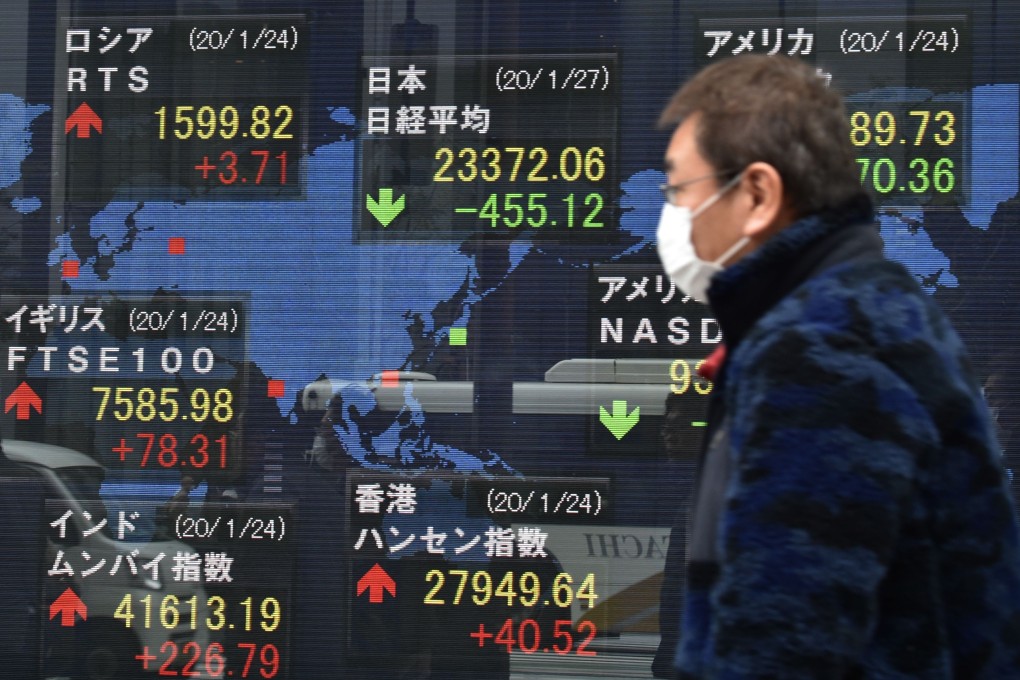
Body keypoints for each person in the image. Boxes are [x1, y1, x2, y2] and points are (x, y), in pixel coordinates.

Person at [653, 54, 1020, 679]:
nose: (671, 213)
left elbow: (788, 642)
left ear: (759, 194)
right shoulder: (864, 319)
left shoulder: (820, 355)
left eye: (681, 188)